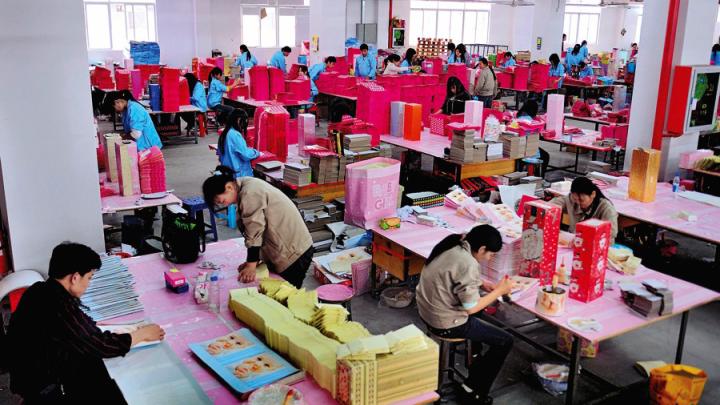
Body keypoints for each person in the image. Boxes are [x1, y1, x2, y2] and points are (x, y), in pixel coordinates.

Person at [8, 242, 165, 404]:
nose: (89, 284)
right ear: (75, 278)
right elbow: (101, 346)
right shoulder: (60, 308)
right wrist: (142, 333)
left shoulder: (40, 289)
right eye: (89, 278)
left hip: (25, 371)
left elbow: (80, 327)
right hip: (43, 385)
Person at [416, 225, 515, 405]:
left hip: (427, 311)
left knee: (482, 320)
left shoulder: (454, 244)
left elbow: (455, 278)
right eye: (491, 255)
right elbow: (471, 308)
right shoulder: (468, 263)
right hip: (445, 323)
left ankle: (475, 363)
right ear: (482, 248)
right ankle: (475, 390)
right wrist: (500, 290)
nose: (490, 259)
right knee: (505, 340)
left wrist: (483, 284)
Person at [203, 166, 314, 288]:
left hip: (294, 253)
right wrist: (253, 261)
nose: (224, 204)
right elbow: (260, 227)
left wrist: (251, 265)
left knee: (285, 295)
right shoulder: (244, 186)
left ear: (229, 187)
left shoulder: (249, 192)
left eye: (222, 201)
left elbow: (254, 231)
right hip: (288, 248)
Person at [550, 176, 619, 242]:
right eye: (575, 199)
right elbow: (550, 205)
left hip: (597, 245)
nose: (578, 203)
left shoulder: (606, 208)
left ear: (593, 194)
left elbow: (611, 233)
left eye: (581, 200)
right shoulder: (571, 199)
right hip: (576, 242)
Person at [217, 109, 260, 178]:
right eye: (244, 122)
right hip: (238, 175)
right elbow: (245, 155)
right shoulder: (235, 135)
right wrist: (256, 152)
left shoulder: (224, 133)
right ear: (238, 120)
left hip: (227, 173)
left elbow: (219, 155)